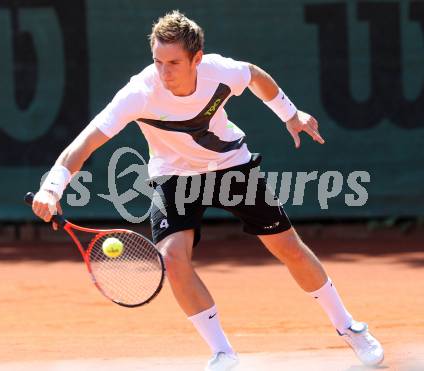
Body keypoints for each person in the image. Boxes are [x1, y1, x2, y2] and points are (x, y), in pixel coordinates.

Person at [31, 10, 384, 371]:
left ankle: (349, 327)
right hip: (174, 177)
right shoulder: (139, 93)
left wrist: (289, 114)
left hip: (231, 167)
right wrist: (52, 187)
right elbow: (84, 143)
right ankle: (223, 354)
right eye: (157, 61)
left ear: (196, 59)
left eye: (173, 62)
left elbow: (256, 76)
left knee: (288, 247)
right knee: (172, 258)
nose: (164, 72)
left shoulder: (221, 72)